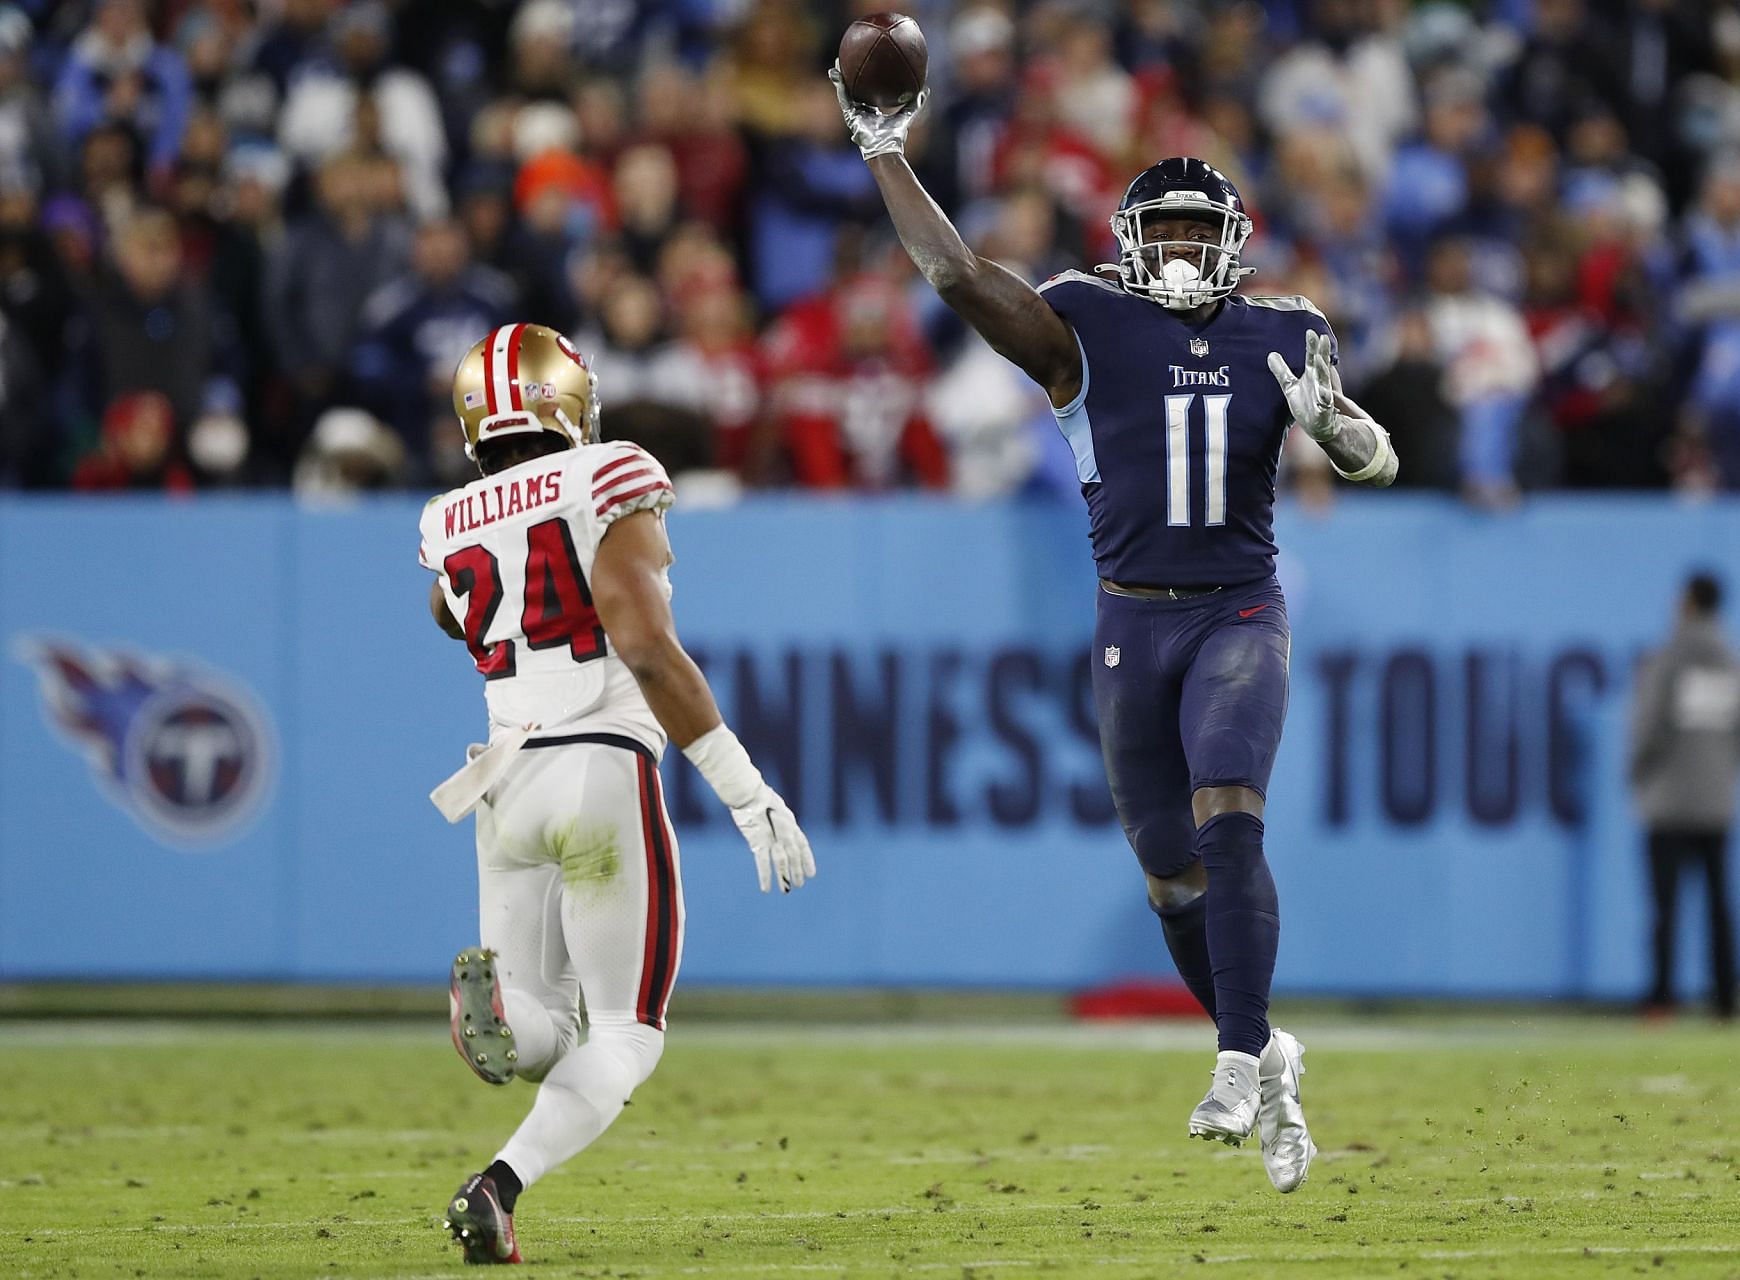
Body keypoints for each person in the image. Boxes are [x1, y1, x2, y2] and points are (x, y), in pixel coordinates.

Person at [832, 59, 1403, 1193]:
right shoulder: (1084, 319)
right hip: (1130, 624)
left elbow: (1379, 459)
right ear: (1135, 238)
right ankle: (1272, 1051)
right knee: (1168, 873)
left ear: (1233, 238)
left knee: (1230, 809)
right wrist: (884, 149)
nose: (1187, 251)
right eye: (1170, 232)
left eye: (1203, 231)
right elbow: (951, 270)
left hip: (1239, 609)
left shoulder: (1286, 328)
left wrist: (1331, 418)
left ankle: (1237, 1055)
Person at [417, 323, 815, 1263]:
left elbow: (449, 610)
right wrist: (745, 788)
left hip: (503, 786)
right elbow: (643, 645)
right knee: (630, 1033)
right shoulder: (609, 472)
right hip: (599, 763)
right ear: (568, 402)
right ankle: (498, 1185)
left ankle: (504, 1018)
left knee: (552, 1023)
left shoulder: (447, 516)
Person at [1629, 571, 1740, 1020]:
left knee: (1665, 906)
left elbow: (1648, 730)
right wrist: (1721, 771)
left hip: (1668, 803)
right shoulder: (1739, 664)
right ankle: (1727, 1000)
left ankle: (1662, 997)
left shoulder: (1666, 661)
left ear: (1686, 602)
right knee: (1720, 903)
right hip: (1719, 802)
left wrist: (1637, 775)